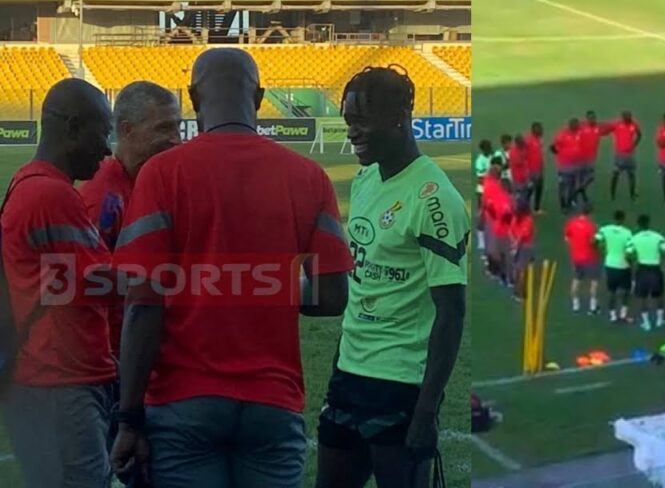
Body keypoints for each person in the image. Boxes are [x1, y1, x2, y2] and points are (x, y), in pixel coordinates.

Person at [110, 50, 353, 488]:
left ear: (193, 98)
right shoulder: (309, 176)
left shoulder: (162, 174)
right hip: (273, 404)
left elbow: (143, 303)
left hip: (183, 403)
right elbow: (333, 295)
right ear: (259, 97)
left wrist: (128, 417)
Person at [314, 64, 468, 488]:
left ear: (398, 117)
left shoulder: (435, 200)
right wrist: (340, 360)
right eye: (349, 123)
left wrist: (426, 412)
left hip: (401, 384)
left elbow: (451, 313)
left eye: (361, 123)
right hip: (349, 376)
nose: (351, 134)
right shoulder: (364, 180)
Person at [1, 78, 114, 488]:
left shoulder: (28, 184)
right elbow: (100, 283)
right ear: (71, 127)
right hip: (59, 385)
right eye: (101, 132)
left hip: (48, 382)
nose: (106, 148)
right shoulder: (52, 195)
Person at [79, 82, 182, 358]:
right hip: (117, 355)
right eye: (163, 128)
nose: (176, 139)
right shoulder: (102, 199)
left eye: (178, 127)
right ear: (127, 130)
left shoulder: (158, 184)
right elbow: (92, 289)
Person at [626, 214, 665, 330]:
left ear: (638, 225)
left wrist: (634, 259)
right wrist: (659, 257)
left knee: (642, 297)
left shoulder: (634, 238)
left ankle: (646, 323)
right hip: (655, 269)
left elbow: (629, 253)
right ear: (648, 223)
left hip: (642, 269)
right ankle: (659, 320)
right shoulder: (657, 236)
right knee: (658, 295)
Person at [595, 210, 634, 323]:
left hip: (610, 264)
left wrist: (601, 251)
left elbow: (594, 241)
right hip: (623, 265)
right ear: (623, 219)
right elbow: (629, 251)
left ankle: (612, 316)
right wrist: (631, 263)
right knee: (626, 291)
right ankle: (623, 315)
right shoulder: (627, 233)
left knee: (612, 291)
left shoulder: (605, 229)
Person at [564, 204, 600, 314]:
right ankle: (593, 307)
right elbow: (592, 242)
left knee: (576, 280)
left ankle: (576, 305)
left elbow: (566, 237)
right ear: (590, 213)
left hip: (576, 257)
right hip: (590, 257)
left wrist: (574, 245)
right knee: (594, 281)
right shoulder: (591, 226)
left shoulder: (571, 222)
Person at [551, 119, 582, 214]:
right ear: (570, 125)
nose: (577, 127)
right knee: (563, 186)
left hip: (575, 165)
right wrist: (560, 156)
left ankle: (570, 202)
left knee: (572, 185)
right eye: (576, 125)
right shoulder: (562, 134)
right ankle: (563, 206)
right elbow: (552, 147)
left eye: (578, 125)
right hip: (564, 166)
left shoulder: (578, 133)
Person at [609, 110, 642, 202]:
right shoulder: (617, 124)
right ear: (623, 117)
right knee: (615, 175)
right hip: (619, 155)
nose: (629, 118)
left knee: (631, 175)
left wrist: (634, 145)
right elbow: (607, 129)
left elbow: (639, 135)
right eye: (627, 116)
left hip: (630, 155)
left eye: (630, 116)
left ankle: (632, 195)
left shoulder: (634, 124)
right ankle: (612, 194)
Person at [576, 111, 606, 205]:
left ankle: (579, 191)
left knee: (590, 177)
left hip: (591, 158)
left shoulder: (598, 127)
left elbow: (611, 127)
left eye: (594, 118)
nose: (593, 120)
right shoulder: (581, 125)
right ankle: (580, 197)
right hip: (580, 157)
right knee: (581, 177)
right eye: (590, 118)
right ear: (587, 118)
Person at [508, 202, 536, 300]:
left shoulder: (515, 218)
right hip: (525, 247)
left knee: (516, 267)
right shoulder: (528, 220)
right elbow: (523, 236)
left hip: (516, 245)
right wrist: (516, 246)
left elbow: (510, 232)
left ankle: (516, 288)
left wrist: (513, 244)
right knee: (521, 270)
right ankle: (520, 292)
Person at [525, 122, 545, 214]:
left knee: (539, 188)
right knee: (530, 190)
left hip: (539, 169)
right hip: (531, 170)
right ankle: (524, 207)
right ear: (534, 130)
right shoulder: (528, 141)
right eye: (539, 129)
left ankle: (536, 208)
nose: (542, 130)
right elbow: (524, 156)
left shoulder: (539, 140)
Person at [507, 134, 531, 208]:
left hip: (525, 177)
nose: (523, 144)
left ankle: (524, 207)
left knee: (526, 193)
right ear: (517, 143)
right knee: (519, 196)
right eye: (521, 143)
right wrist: (524, 155)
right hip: (518, 178)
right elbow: (519, 162)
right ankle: (518, 210)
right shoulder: (513, 152)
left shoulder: (523, 148)